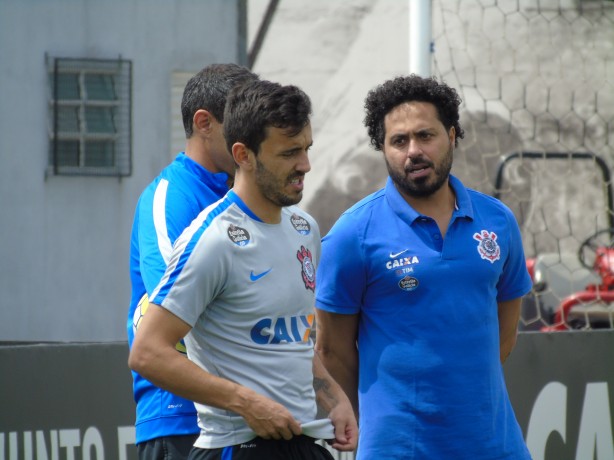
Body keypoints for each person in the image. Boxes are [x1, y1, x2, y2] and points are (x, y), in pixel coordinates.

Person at [129, 79, 358, 459]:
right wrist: (246, 403)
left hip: (304, 443)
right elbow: (147, 352)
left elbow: (294, 337)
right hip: (236, 446)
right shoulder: (212, 239)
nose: (305, 165)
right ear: (244, 154)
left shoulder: (305, 229)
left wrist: (334, 399)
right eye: (289, 153)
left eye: (306, 148)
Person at [314, 74, 533, 459]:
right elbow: (332, 351)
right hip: (397, 449)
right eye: (399, 141)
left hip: (495, 445)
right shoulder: (353, 234)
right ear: (382, 149)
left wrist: (455, 392)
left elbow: (504, 334)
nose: (413, 150)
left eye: (425, 136)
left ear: (451, 136)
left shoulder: (498, 221)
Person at [127, 63, 259, 459]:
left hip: (242, 415)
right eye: (241, 125)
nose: (251, 138)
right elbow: (178, 301)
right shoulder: (170, 197)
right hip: (181, 416)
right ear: (204, 123)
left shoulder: (242, 192)